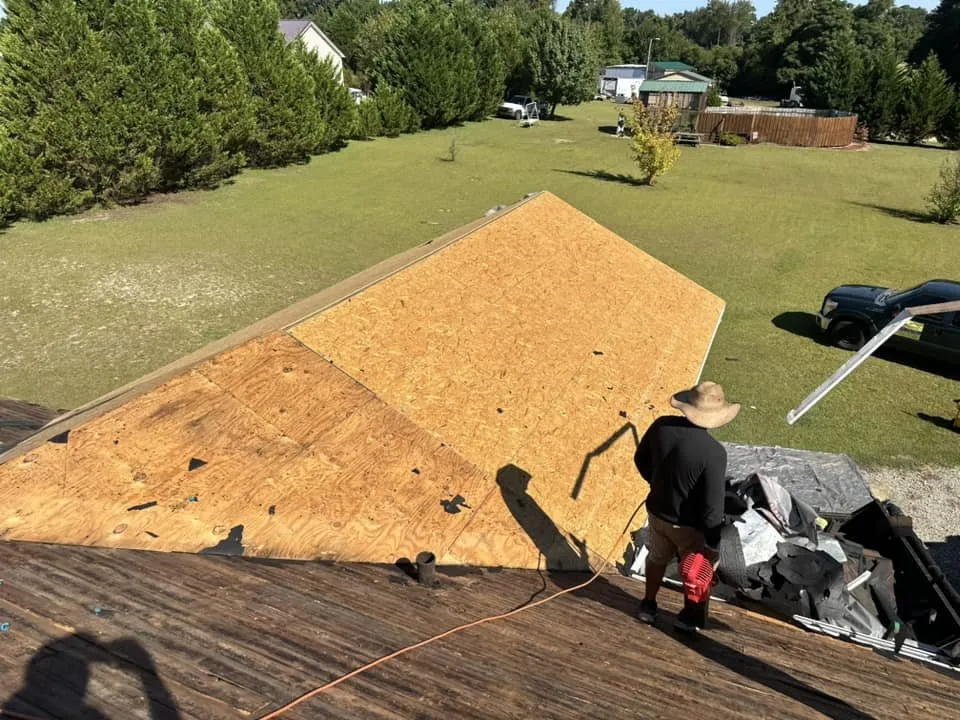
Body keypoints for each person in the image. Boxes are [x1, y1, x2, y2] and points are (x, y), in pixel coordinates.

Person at [633, 381, 740, 632]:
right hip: (688, 527)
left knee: (657, 557)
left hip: (656, 513)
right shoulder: (713, 453)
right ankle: (688, 618)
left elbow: (640, 459)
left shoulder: (662, 426)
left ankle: (648, 605)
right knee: (694, 571)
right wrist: (712, 545)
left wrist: (656, 483)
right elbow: (713, 507)